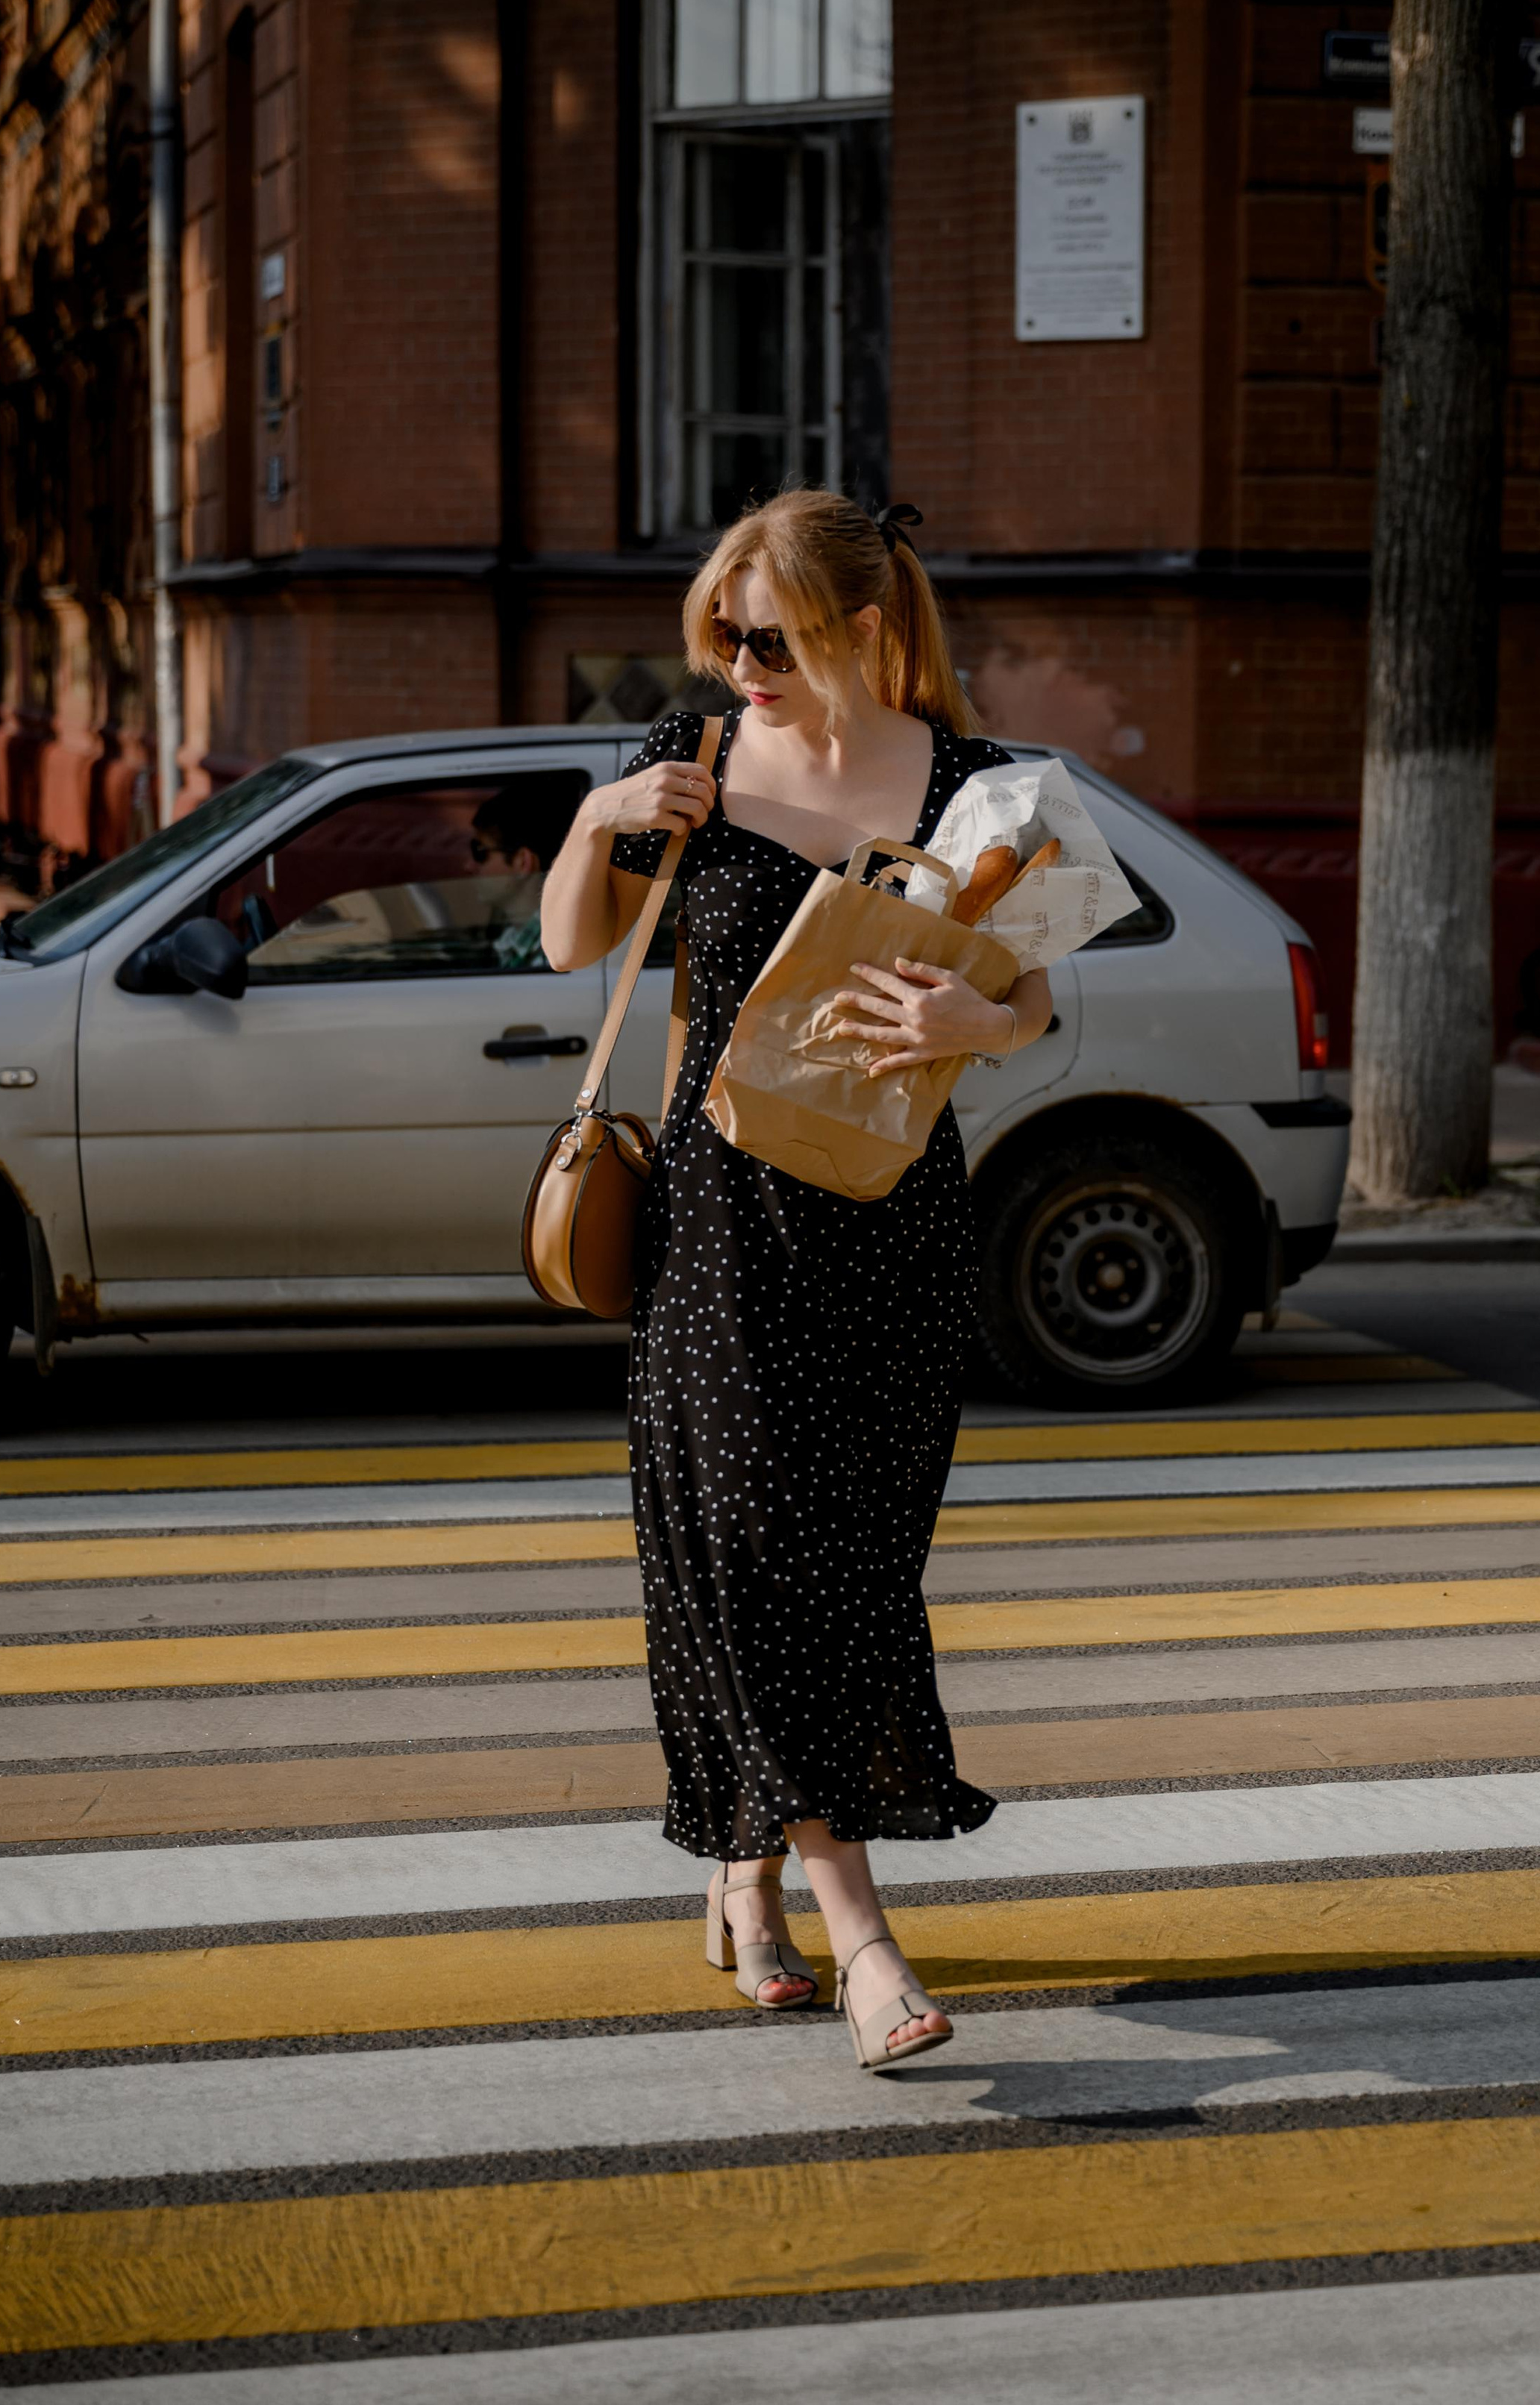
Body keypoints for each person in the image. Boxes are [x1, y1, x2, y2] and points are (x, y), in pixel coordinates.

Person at [539, 489, 1054, 2070]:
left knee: (859, 1565)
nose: (737, 664)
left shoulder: (974, 788)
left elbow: (1034, 991)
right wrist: (598, 819)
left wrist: (981, 1025)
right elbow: (570, 946)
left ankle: (739, 1872)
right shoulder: (694, 757)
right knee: (757, 1556)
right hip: (720, 1224)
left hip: (895, 1223)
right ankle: (866, 1944)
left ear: (863, 628)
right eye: (721, 634)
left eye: (768, 638)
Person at [470, 774, 585, 969]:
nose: (469, 866)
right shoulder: (511, 939)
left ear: (523, 862)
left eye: (480, 852)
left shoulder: (553, 955)